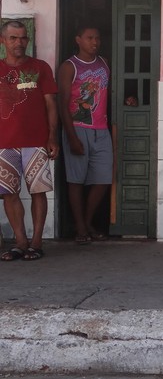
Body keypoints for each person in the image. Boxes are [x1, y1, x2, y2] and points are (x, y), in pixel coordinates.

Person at [0, 20, 59, 261]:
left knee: (38, 191)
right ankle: (20, 241)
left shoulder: (40, 67)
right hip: (4, 142)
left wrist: (52, 137)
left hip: (36, 141)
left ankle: (36, 242)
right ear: (3, 41)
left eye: (23, 38)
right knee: (9, 193)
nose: (19, 42)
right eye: (13, 38)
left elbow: (51, 105)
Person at [57, 25, 112, 244]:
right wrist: (71, 137)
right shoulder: (69, 67)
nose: (95, 42)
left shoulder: (104, 63)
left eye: (97, 38)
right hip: (78, 129)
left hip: (101, 129)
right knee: (76, 181)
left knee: (103, 179)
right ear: (78, 39)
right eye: (90, 38)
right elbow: (62, 104)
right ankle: (80, 227)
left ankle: (87, 222)